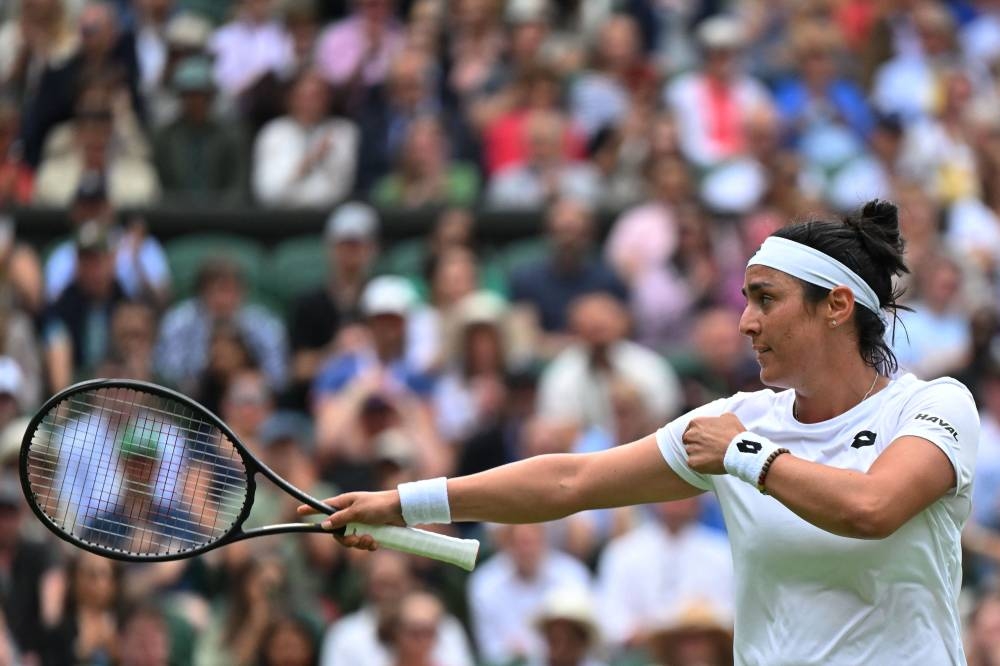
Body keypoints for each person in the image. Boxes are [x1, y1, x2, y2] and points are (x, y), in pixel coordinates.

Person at [308, 199, 981, 664]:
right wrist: (401, 503)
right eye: (745, 299)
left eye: (766, 299)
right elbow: (571, 478)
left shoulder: (933, 407)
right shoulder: (738, 420)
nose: (746, 322)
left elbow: (871, 508)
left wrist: (743, 455)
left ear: (836, 307)